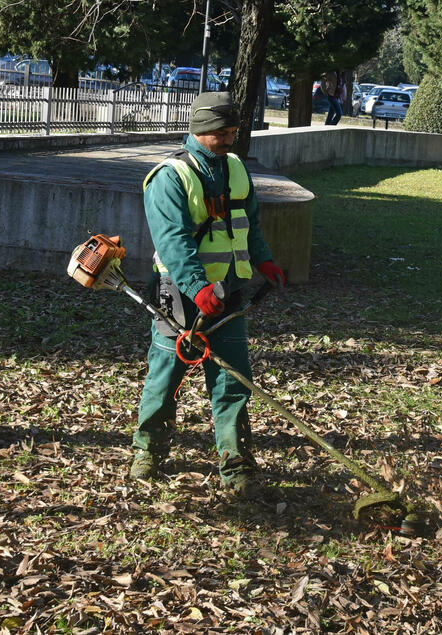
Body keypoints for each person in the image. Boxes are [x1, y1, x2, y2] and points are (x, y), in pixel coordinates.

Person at [130, 91, 285, 494]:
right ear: (201, 130)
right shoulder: (169, 177)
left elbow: (249, 223)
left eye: (234, 131)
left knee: (233, 381)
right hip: (179, 298)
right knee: (165, 379)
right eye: (223, 133)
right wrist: (198, 288)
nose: (231, 139)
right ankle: (147, 451)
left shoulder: (235, 167)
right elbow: (173, 241)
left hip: (229, 294)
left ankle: (236, 465)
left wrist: (264, 261)